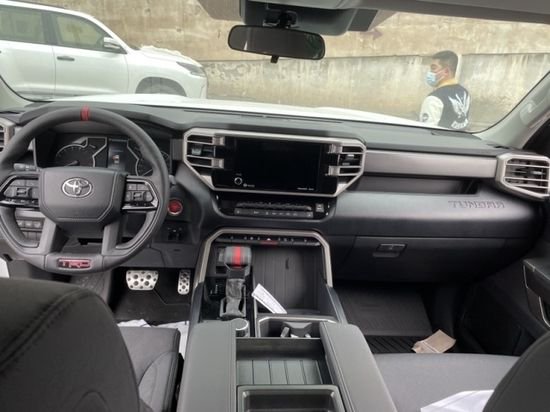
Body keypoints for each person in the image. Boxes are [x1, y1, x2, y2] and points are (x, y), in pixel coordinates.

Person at [420, 50, 471, 130]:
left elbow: (426, 132)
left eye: (433, 68)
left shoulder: (434, 99)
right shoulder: (464, 93)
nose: (430, 72)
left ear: (446, 71)